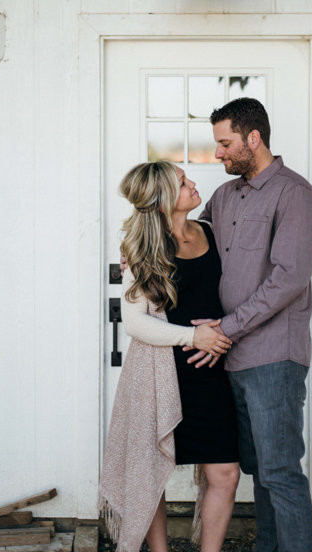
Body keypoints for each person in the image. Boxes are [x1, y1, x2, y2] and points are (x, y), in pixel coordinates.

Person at [185, 97, 312, 552]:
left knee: (280, 470)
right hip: (231, 359)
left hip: (273, 356)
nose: (218, 154)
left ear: (253, 137)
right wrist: (142, 249)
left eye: (224, 143)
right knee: (260, 469)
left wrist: (226, 327)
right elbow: (190, 242)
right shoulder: (224, 197)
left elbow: (288, 279)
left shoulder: (295, 194)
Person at [98, 160, 240, 552]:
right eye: (182, 182)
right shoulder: (142, 248)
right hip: (162, 374)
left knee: (225, 472)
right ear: (163, 201)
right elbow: (135, 323)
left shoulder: (210, 231)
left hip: (212, 373)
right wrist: (195, 336)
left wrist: (224, 330)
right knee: (151, 473)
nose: (193, 183)